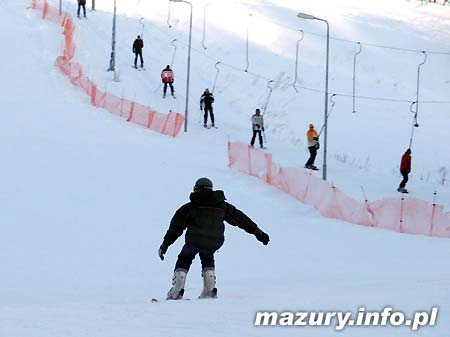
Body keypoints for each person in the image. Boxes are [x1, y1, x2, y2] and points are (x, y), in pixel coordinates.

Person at [158, 178, 270, 300]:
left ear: (196, 189)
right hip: (215, 242)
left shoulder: (189, 207)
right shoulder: (223, 206)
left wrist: (165, 245)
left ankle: (177, 289)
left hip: (194, 240)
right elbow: (242, 220)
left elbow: (176, 228)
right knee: (207, 256)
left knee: (185, 257)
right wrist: (258, 233)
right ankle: (209, 290)